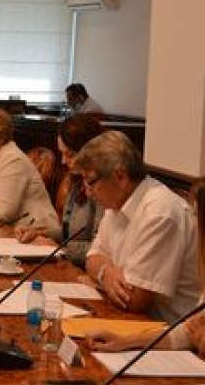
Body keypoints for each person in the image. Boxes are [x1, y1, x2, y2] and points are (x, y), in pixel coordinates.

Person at [75, 131, 198, 323]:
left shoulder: (160, 212)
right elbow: (92, 258)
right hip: (134, 321)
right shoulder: (116, 203)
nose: (87, 193)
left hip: (171, 330)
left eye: (91, 182)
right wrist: (106, 273)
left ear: (120, 176)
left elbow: (134, 300)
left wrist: (100, 275)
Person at [87, 180, 205, 354]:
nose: (194, 225)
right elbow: (186, 333)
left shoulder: (161, 211)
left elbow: (135, 299)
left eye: (197, 218)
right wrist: (123, 341)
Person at [14, 114, 105, 268]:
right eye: (62, 153)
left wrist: (60, 249)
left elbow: (100, 250)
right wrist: (39, 232)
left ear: (90, 151)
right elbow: (68, 233)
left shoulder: (104, 188)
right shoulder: (76, 179)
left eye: (70, 155)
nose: (63, 161)